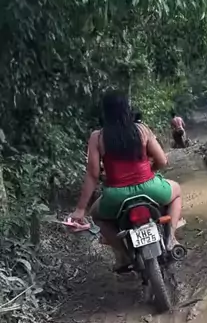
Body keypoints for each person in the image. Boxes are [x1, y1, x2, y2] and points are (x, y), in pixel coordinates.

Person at [70, 92, 182, 271]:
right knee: (176, 193)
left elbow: (92, 174)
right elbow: (162, 160)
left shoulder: (97, 137)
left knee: (97, 216)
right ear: (127, 109)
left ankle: (123, 255)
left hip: (116, 196)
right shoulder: (142, 130)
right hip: (151, 189)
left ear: (105, 112)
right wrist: (149, 173)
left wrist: (80, 209)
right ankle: (171, 239)